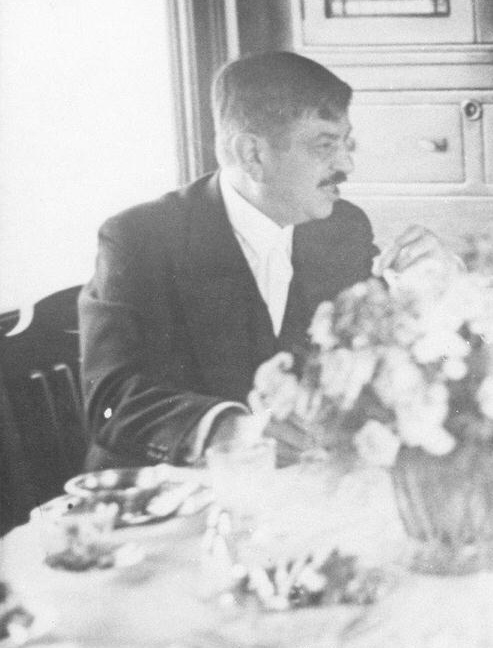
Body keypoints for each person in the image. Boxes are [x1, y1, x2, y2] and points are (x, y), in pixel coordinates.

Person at [80, 52, 437, 470]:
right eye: (325, 146)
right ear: (252, 154)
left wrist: (433, 290)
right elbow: (111, 401)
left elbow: (379, 356)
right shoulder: (141, 238)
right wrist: (233, 432)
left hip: (292, 492)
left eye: (346, 143)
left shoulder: (342, 228)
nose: (346, 165)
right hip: (168, 499)